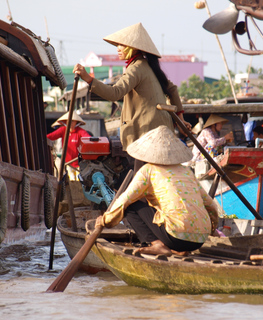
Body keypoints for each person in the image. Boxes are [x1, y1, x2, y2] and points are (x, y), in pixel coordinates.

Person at [95, 125, 219, 256]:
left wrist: (104, 220)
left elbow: (124, 200)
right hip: (200, 239)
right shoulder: (187, 171)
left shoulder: (148, 170)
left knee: (131, 205)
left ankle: (157, 244)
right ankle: (180, 250)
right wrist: (212, 229)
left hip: (175, 237)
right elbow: (211, 205)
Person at [73, 23, 191, 156]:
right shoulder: (149, 66)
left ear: (133, 48)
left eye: (122, 45)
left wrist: (88, 78)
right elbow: (172, 89)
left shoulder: (136, 68)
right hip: (161, 132)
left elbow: (115, 93)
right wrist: (180, 121)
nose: (118, 48)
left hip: (145, 136)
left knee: (140, 174)